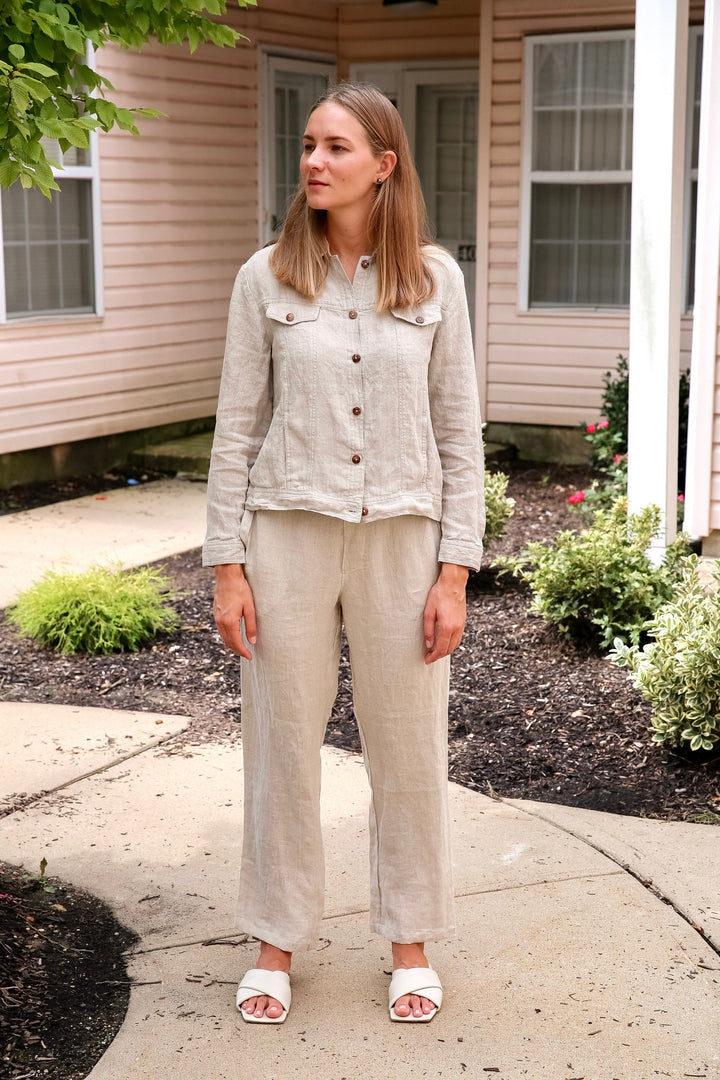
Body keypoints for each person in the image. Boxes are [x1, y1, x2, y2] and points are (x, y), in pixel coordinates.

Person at [202, 82, 485, 1025]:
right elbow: (236, 430)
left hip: (404, 539)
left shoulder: (436, 282)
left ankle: (409, 939)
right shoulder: (265, 278)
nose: (314, 162)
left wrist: (455, 571)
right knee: (283, 745)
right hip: (286, 535)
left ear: (384, 164)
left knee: (407, 749)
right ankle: (275, 940)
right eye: (309, 146)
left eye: (336, 148)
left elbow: (460, 433)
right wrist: (227, 565)